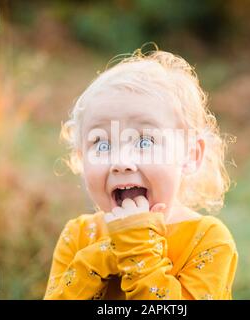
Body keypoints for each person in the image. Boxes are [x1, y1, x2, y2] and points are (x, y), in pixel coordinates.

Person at [44, 46, 238, 300]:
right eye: (102, 144)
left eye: (145, 142)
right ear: (81, 159)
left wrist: (138, 250)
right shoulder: (78, 236)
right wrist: (106, 253)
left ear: (191, 155)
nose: (121, 162)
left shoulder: (209, 241)